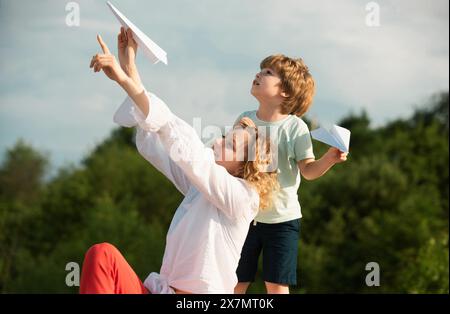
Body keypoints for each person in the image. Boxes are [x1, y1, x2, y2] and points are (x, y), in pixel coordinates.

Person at [80, 28, 278, 294]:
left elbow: (189, 151)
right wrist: (130, 71)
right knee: (103, 255)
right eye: (224, 136)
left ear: (245, 168)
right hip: (162, 291)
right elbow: (160, 144)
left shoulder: (243, 199)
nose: (218, 142)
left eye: (230, 145)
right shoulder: (200, 187)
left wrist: (126, 82)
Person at [234, 54, 348, 294]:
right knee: (234, 281)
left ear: (285, 91)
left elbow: (307, 171)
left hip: (282, 221)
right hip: (244, 215)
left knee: (276, 285)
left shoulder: (295, 127)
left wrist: (329, 159)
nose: (259, 73)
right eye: (261, 69)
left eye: (268, 73)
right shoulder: (244, 120)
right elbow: (234, 165)